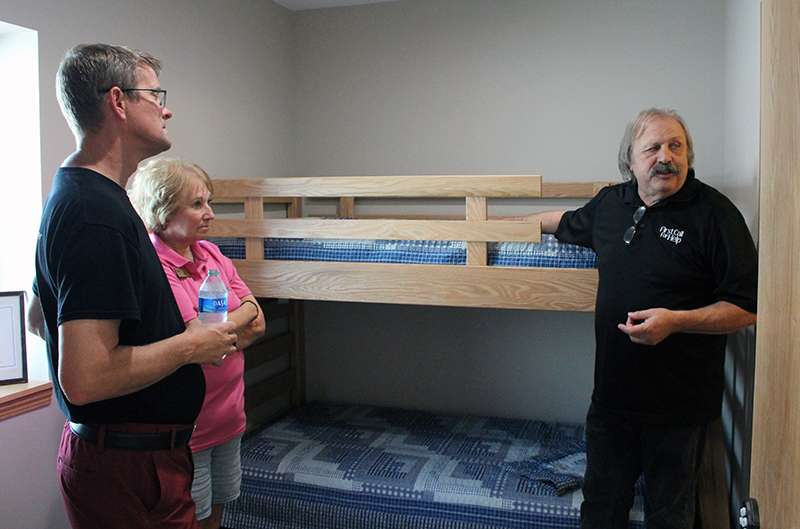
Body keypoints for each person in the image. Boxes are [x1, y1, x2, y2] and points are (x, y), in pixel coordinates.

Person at [27, 43, 239, 529]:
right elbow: (84, 379)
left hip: (130, 460)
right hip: (128, 467)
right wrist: (190, 345)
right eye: (154, 94)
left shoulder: (78, 195)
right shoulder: (94, 213)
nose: (167, 108)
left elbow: (40, 318)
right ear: (118, 102)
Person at [533, 108, 757, 529]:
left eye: (676, 146)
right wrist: (494, 227)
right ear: (630, 161)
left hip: (679, 412)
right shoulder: (610, 205)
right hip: (612, 403)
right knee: (600, 511)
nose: (666, 156)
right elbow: (560, 222)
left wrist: (676, 321)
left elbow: (746, 308)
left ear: (688, 155)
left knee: (669, 518)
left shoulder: (716, 215)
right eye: (652, 147)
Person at [129, 158, 266, 529]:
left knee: (218, 511)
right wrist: (232, 325)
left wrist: (220, 334)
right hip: (191, 430)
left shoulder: (212, 255)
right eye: (197, 204)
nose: (209, 213)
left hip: (229, 419)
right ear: (162, 211)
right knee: (193, 517)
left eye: (209, 202)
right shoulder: (155, 267)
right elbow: (202, 339)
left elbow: (258, 319)